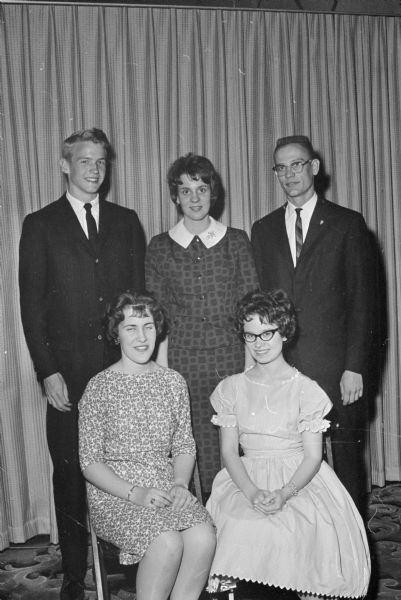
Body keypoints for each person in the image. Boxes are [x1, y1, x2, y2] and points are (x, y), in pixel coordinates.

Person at [19, 128, 146, 600]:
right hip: (66, 378)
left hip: (121, 376)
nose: (95, 170)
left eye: (101, 162)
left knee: (128, 471)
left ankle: (132, 567)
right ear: (65, 165)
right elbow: (31, 308)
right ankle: (74, 577)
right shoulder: (41, 224)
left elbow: (139, 304)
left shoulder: (126, 220)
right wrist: (47, 371)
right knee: (70, 477)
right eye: (86, 161)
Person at [206, 290, 371, 599]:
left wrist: (284, 493)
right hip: (246, 477)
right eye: (251, 335)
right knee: (240, 527)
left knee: (297, 530)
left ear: (284, 331)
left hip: (298, 477)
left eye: (267, 332)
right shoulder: (231, 388)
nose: (259, 343)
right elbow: (229, 452)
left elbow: (312, 456)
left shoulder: (306, 390)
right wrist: (253, 492)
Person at [251, 135, 372, 510]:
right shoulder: (263, 229)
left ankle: (353, 548)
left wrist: (355, 366)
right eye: (281, 168)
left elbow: (364, 304)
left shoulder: (347, 223)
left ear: (314, 167)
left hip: (337, 369)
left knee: (347, 460)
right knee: (291, 464)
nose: (290, 175)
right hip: (284, 369)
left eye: (297, 164)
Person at [79, 292, 216, 600]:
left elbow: (184, 444)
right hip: (117, 494)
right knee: (167, 541)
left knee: (203, 537)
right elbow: (89, 463)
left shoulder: (173, 382)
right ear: (116, 333)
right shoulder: (99, 386)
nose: (142, 337)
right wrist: (136, 493)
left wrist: (181, 483)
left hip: (165, 487)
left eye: (149, 326)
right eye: (131, 328)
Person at [146, 153, 258, 498]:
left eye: (202, 189)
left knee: (238, 440)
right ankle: (207, 522)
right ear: (175, 197)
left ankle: (239, 519)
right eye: (186, 190)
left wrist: (252, 361)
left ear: (213, 194)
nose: (194, 198)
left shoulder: (237, 241)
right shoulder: (160, 247)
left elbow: (251, 304)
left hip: (232, 355)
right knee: (196, 444)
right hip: (184, 360)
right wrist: (163, 369)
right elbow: (158, 314)